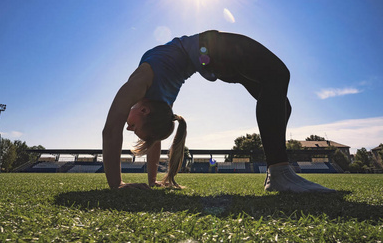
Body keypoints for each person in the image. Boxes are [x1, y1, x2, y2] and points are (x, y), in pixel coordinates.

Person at [102, 30, 335, 192]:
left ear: (144, 110)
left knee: (282, 105)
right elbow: (139, 133)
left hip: (210, 57)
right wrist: (129, 185)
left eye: (131, 128)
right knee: (278, 75)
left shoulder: (143, 85)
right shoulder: (154, 101)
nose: (127, 126)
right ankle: (279, 173)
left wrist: (121, 184)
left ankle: (279, 172)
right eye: (134, 129)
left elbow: (111, 129)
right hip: (210, 51)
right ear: (144, 110)